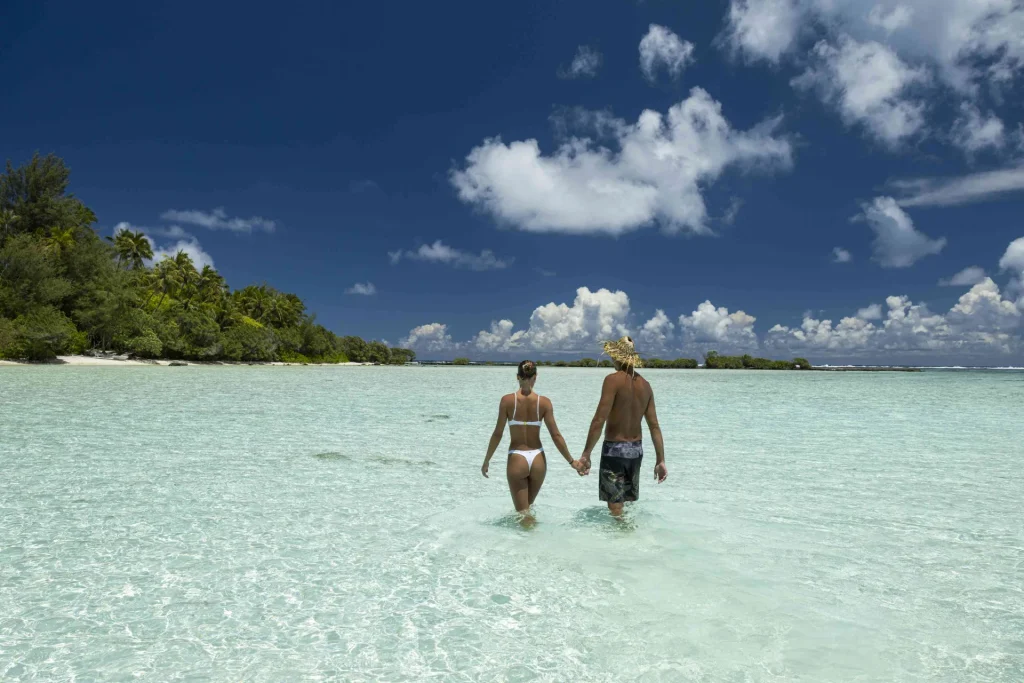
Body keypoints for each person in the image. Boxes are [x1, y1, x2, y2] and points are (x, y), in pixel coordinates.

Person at [481, 360, 581, 520]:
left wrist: (487, 460)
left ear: (517, 377)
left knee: (523, 515)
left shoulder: (507, 401)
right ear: (535, 377)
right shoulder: (544, 402)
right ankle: (534, 542)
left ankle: (527, 542)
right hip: (538, 459)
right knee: (527, 510)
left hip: (517, 458)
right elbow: (556, 435)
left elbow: (497, 434)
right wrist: (571, 462)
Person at [578, 337, 667, 516]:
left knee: (615, 507)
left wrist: (586, 454)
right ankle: (631, 538)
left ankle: (622, 538)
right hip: (636, 450)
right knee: (626, 502)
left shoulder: (612, 380)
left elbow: (599, 420)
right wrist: (661, 460)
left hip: (614, 450)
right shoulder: (646, 386)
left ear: (616, 357)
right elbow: (654, 426)